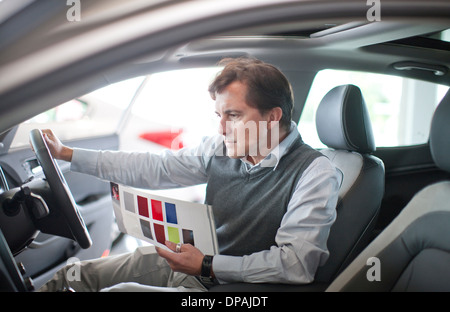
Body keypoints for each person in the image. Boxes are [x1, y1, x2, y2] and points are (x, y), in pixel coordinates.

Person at [39, 58, 340, 292]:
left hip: (232, 288)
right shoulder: (221, 147)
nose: (222, 128)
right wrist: (69, 155)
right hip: (193, 266)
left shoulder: (314, 172)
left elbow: (297, 264)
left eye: (233, 115)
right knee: (75, 275)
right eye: (219, 116)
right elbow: (156, 168)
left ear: (272, 117)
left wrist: (208, 265)